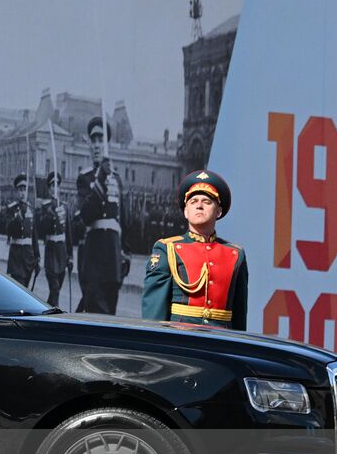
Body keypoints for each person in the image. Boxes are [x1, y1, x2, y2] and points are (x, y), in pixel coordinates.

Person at [141, 170, 247, 330]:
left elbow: (239, 313)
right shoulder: (167, 248)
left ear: (218, 211)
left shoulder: (235, 254)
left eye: (206, 201)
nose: (199, 205)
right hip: (181, 341)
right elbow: (154, 313)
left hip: (221, 342)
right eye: (193, 201)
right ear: (185, 212)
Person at [76, 116, 126, 314]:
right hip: (93, 256)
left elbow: (124, 218)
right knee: (96, 313)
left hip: (113, 257)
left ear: (107, 145)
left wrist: (127, 253)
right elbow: (85, 216)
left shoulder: (117, 179)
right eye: (93, 140)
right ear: (89, 145)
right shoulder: (85, 179)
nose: (97, 145)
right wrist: (100, 180)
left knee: (110, 316)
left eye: (101, 141)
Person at [35, 172, 71, 308]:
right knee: (55, 288)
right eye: (52, 186)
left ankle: (46, 310)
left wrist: (71, 256)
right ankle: (56, 317)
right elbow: (41, 229)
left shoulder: (64, 206)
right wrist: (50, 213)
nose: (55, 188)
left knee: (55, 292)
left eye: (57, 185)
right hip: (50, 253)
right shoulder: (44, 208)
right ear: (49, 189)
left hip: (62, 253)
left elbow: (69, 233)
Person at [0, 173, 38, 287]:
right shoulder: (11, 209)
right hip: (16, 257)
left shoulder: (31, 208)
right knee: (18, 288)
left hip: (29, 258)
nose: (22, 192)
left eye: (24, 189)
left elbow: (34, 235)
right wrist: (17, 219)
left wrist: (37, 256)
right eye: (20, 189)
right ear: (17, 191)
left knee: (25, 289)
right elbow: (8, 229)